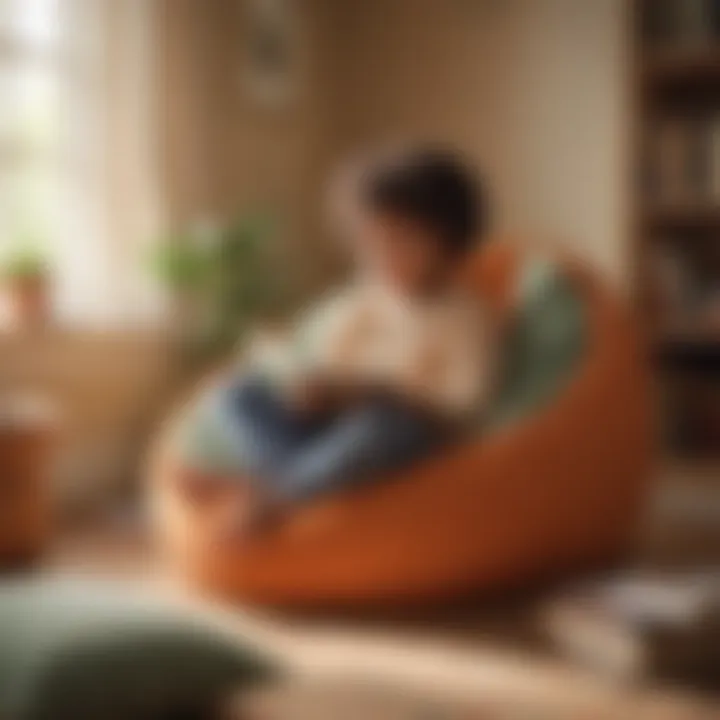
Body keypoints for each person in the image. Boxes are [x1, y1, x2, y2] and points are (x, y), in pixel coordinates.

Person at [211, 146, 494, 531]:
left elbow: (457, 415)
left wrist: (370, 393)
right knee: (237, 392)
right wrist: (300, 387)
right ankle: (297, 481)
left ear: (451, 244)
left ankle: (280, 495)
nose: (384, 256)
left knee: (388, 426)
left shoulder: (463, 319)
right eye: (372, 244)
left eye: (402, 241)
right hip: (326, 433)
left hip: (393, 437)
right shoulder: (356, 304)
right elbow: (322, 369)